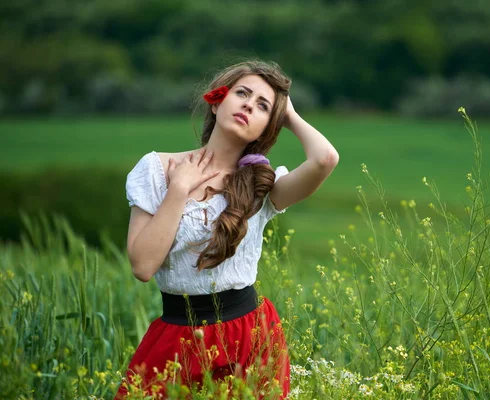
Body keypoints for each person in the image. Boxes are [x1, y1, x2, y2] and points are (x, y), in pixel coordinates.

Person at [115, 60, 339, 399]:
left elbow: (325, 160)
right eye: (243, 94)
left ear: (267, 127)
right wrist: (178, 190)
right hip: (177, 336)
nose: (250, 104)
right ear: (218, 101)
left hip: (249, 335)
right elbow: (142, 266)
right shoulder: (157, 169)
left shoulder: (264, 185)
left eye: (263, 106)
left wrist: (288, 113)